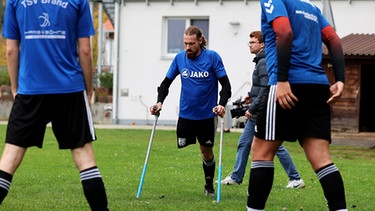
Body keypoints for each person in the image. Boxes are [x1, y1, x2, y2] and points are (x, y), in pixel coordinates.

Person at [0, 0, 109, 209]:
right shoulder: (78, 1)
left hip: (30, 90)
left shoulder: (15, 1)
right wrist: (89, 89)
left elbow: (11, 50)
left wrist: (15, 87)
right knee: (84, 158)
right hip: (69, 89)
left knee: (9, 158)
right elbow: (85, 50)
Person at [246, 0, 347, 210]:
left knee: (262, 152)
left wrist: (281, 80)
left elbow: (284, 31)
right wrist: (340, 79)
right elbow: (334, 40)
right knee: (321, 157)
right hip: (318, 86)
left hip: (287, 85)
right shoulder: (311, 9)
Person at [150, 26, 232, 196]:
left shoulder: (212, 57)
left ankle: (209, 186)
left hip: (207, 115)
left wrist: (222, 104)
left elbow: (226, 85)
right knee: (182, 144)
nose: (187, 47)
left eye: (191, 44)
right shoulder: (180, 58)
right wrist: (159, 103)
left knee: (206, 151)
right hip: (186, 115)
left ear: (200, 41)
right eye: (185, 43)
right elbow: (165, 83)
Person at [219, 31, 304, 188]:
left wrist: (253, 108)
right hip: (259, 110)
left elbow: (267, 88)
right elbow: (260, 87)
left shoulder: (264, 61)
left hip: (263, 112)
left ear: (262, 44)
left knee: (275, 146)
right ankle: (236, 177)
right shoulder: (261, 61)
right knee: (244, 143)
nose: (250, 45)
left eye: (253, 42)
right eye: (249, 42)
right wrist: (250, 96)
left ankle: (296, 178)